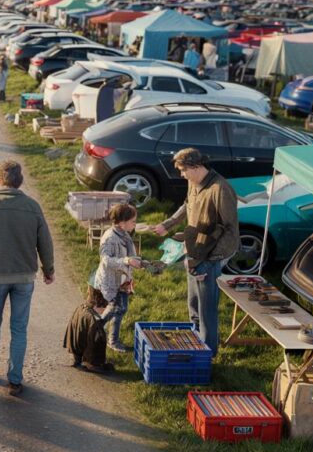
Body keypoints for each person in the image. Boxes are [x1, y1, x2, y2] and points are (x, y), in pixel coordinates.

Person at [0, 160, 55, 396]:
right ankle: (15, 380)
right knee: (19, 328)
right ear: (20, 181)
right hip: (24, 277)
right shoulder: (32, 207)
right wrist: (48, 270)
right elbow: (45, 242)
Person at [153, 148, 238, 355]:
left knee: (206, 306)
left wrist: (208, 260)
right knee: (193, 302)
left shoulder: (221, 189)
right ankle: (196, 340)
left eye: (183, 170)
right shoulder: (193, 182)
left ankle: (208, 351)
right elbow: (186, 205)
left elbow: (230, 229)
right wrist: (168, 224)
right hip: (194, 248)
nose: (182, 175)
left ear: (196, 166)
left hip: (212, 253)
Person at [94, 204, 141, 353]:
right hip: (111, 280)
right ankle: (95, 328)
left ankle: (112, 340)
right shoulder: (110, 238)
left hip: (123, 280)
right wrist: (126, 261)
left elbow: (130, 255)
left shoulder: (124, 234)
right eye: (133, 221)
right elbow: (106, 260)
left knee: (121, 308)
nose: (135, 224)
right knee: (118, 307)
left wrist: (142, 263)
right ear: (122, 223)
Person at [63, 287, 114, 373]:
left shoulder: (81, 308)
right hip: (96, 306)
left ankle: (77, 357)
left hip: (76, 347)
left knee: (87, 328)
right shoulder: (95, 321)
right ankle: (91, 364)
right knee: (99, 336)